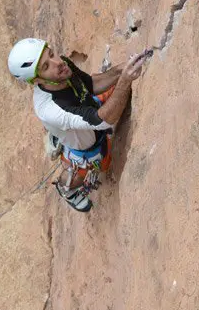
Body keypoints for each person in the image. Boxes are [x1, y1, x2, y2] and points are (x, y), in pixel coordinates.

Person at [8, 38, 148, 211]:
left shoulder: (62, 66)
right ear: (36, 81)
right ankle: (68, 189)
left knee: (114, 90)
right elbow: (102, 122)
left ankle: (59, 132)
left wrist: (122, 68)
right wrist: (125, 80)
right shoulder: (50, 108)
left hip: (88, 108)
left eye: (51, 54)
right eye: (46, 66)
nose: (57, 63)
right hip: (86, 144)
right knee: (101, 163)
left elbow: (90, 84)